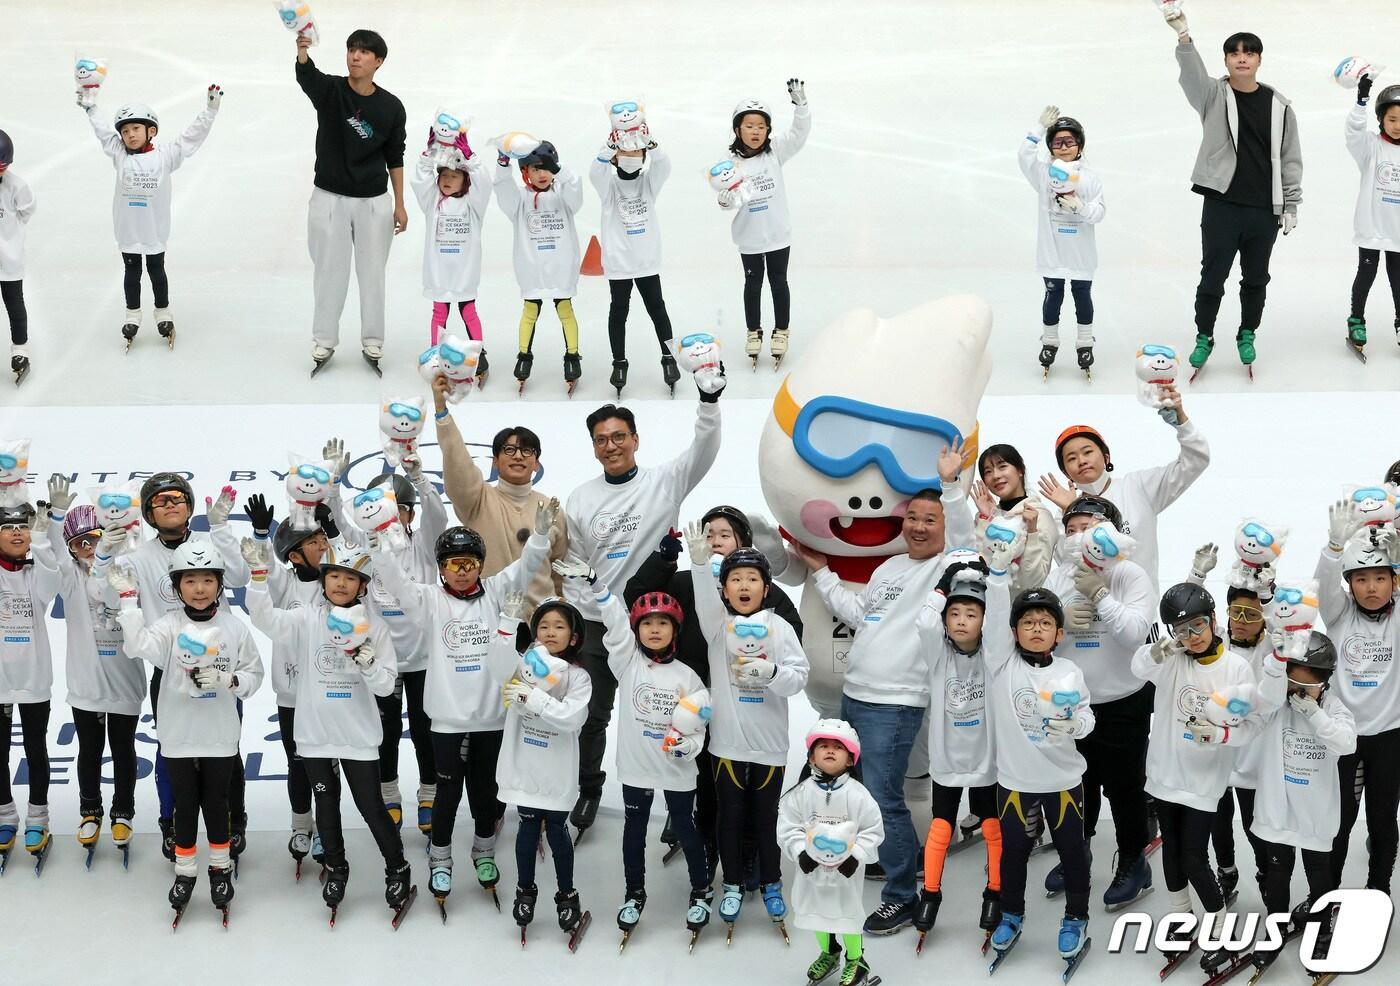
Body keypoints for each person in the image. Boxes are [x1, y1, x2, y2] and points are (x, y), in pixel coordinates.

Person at [793, 449, 972, 934]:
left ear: (943, 524)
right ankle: (906, 861)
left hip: (895, 701)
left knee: (881, 796)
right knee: (864, 788)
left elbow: (965, 535)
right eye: (911, 517)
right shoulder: (890, 568)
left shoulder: (951, 567)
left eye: (929, 519)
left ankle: (902, 896)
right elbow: (860, 615)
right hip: (857, 694)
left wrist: (950, 485)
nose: (918, 526)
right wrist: (819, 570)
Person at [370, 504, 555, 911]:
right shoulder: (428, 600)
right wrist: (379, 551)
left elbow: (525, 567)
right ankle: (440, 857)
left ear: (480, 565)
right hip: (447, 721)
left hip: (492, 716)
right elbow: (398, 584)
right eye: (453, 563)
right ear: (440, 567)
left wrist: (539, 536)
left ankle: (483, 852)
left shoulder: (497, 592)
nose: (461, 571)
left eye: (469, 563)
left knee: (487, 792)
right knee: (447, 792)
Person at [562, 391, 722, 839]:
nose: (610, 446)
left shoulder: (665, 481)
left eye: (618, 436)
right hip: (600, 623)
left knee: (675, 712)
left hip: (661, 620)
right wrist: (589, 616)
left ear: (635, 439)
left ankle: (678, 794)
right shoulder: (580, 499)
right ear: (593, 447)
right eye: (600, 440)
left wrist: (708, 401)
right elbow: (574, 570)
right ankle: (588, 788)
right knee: (593, 715)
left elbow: (705, 448)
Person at [624, 505, 802, 872]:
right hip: (692, 701)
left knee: (749, 791)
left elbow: (791, 640)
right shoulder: (687, 581)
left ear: (742, 543)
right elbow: (637, 596)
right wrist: (663, 559)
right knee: (706, 782)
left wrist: (764, 666)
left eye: (725, 534)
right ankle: (705, 845)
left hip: (747, 707)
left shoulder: (761, 590)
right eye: (709, 534)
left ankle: (751, 852)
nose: (716, 541)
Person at [244, 536, 412, 917]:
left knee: (371, 807)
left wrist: (368, 662)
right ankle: (336, 866)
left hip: (358, 737)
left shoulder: (376, 628)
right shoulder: (305, 617)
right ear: (322, 579)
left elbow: (387, 686)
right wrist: (257, 577)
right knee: (326, 803)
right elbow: (264, 619)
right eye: (333, 575)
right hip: (314, 735)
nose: (339, 583)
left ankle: (397, 866)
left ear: (363, 586)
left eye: (349, 578)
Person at [91, 474, 249, 862]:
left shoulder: (207, 544)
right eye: (160, 501)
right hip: (170, 667)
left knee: (227, 749)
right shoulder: (138, 557)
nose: (170, 505)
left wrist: (223, 530)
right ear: (147, 513)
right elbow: (103, 593)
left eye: (177, 498)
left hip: (221, 664)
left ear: (190, 507)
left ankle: (233, 821)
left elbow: (243, 577)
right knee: (171, 752)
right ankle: (171, 823)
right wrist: (104, 557)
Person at [555, 559, 712, 946]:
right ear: (637, 630)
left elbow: (698, 728)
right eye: (646, 624)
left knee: (687, 830)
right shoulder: (626, 663)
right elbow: (613, 621)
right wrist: (596, 583)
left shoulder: (687, 676)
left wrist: (688, 747)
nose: (654, 630)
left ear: (675, 629)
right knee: (634, 833)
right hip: (637, 770)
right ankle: (635, 893)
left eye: (662, 623)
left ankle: (701, 890)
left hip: (676, 772)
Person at [109, 538, 263, 918]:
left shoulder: (234, 626)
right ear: (177, 586)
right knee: (184, 805)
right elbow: (137, 646)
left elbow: (254, 675)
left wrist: (229, 681)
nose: (199, 589)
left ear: (219, 585)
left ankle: (220, 867)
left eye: (207, 580)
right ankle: (185, 871)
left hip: (219, 734)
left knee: (217, 803)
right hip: (177, 734)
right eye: (190, 580)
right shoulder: (168, 625)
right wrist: (129, 599)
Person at [1161, 7, 1302, 373]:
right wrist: (1184, 37)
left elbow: (1290, 158)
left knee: (1256, 278)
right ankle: (1204, 335)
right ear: (1226, 59)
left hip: (1264, 210)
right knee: (1213, 276)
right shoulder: (1213, 95)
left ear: (1258, 60)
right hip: (1222, 205)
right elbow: (1191, 77)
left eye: (1249, 52)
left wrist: (1291, 203)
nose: (1242, 58)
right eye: (1235, 53)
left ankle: (1247, 333)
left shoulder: (1280, 105)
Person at [687, 534, 809, 936]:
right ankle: (734, 883)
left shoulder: (779, 628)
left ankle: (772, 881)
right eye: (735, 579)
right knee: (730, 818)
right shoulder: (717, 626)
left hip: (770, 747)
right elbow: (704, 601)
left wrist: (771, 673)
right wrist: (702, 566)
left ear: (767, 587)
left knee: (765, 819)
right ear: (724, 589)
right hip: (727, 745)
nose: (743, 586)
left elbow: (799, 677)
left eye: (752, 579)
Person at [1132, 583, 1256, 976]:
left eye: (1198, 626)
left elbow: (1251, 727)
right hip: (1166, 773)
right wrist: (1159, 649)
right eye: (1181, 631)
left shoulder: (1235, 667)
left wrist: (1221, 735)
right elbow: (1137, 668)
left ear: (1214, 620)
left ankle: (1218, 929)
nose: (1192, 637)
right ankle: (1181, 920)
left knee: (1193, 856)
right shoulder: (1172, 658)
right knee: (1171, 849)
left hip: (1203, 781)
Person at [1042, 496, 1155, 909]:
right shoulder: (1059, 577)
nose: (1076, 539)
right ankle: (1079, 853)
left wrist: (1103, 597)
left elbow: (1134, 633)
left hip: (1123, 700)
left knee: (1125, 790)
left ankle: (1133, 863)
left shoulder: (1130, 574)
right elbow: (1038, 637)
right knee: (1078, 785)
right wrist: (1060, 624)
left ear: (1111, 531)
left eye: (1085, 528)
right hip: (1074, 701)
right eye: (1069, 531)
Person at [332, 449, 447, 837]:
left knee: (424, 727)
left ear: (409, 515)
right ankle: (389, 792)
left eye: (399, 509)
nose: (390, 516)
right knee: (384, 730)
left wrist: (420, 479)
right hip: (381, 656)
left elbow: (439, 516)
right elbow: (337, 524)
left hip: (424, 656)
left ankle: (429, 793)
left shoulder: (425, 544)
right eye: (381, 508)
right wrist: (333, 486)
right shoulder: (366, 547)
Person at [34, 478, 144, 864]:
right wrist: (56, 518)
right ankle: (90, 810)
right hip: (85, 684)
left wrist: (110, 556)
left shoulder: (126, 570)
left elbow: (112, 592)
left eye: (95, 539)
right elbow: (50, 560)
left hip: (125, 682)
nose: (89, 548)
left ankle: (124, 811)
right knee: (90, 750)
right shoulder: (69, 579)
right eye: (81, 543)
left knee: (124, 749)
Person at [985, 587, 1095, 971]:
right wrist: (998, 573)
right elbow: (997, 613)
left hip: (1063, 782)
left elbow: (1087, 717)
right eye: (1028, 623)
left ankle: (1076, 917)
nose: (1037, 629)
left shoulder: (1069, 671)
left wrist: (1075, 724)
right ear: (1014, 631)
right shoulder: (1001, 664)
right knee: (1014, 853)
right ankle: (1011, 915)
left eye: (1046, 623)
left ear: (1059, 634)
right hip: (1016, 782)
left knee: (1072, 852)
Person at [911, 538, 1013, 944]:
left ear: (984, 621)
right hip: (948, 761)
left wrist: (997, 578)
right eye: (954, 613)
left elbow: (1003, 614)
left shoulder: (994, 655)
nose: (961, 620)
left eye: (971, 613)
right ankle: (930, 895)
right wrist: (943, 583)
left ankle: (995, 891)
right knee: (941, 826)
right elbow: (923, 623)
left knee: (991, 826)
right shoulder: (939, 656)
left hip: (986, 759)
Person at [295, 28, 407, 373]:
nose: (355, 56)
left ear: (379, 61)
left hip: (373, 202)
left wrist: (399, 203)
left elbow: (395, 156)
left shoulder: (390, 107)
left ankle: (373, 339)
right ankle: (324, 338)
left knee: (372, 273)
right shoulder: (331, 91)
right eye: (351, 50)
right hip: (329, 198)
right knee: (329, 272)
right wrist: (302, 51)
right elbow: (306, 76)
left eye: (364, 52)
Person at [487, 590, 593, 943]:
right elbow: (496, 669)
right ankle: (525, 890)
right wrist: (506, 623)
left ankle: (567, 893)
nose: (550, 631)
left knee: (558, 831)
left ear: (573, 636)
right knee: (528, 828)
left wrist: (532, 697)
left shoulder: (578, 678)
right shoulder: (526, 664)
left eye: (559, 626)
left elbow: (571, 718)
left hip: (557, 772)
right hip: (526, 766)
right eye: (543, 625)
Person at [82, 83, 221, 349]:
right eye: (125, 131)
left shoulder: (165, 155)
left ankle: (163, 313)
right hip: (128, 232)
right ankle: (132, 315)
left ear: (151, 131)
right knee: (131, 272)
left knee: (156, 271)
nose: (130, 135)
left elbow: (191, 137)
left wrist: (210, 111)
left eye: (136, 129)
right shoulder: (119, 154)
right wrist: (90, 106)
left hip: (154, 231)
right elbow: (102, 132)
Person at [1249, 630, 1356, 976]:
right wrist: (1278, 660)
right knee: (1278, 871)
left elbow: (1346, 743)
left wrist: (1314, 713)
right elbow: (1260, 698)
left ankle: (1323, 930)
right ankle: (1276, 928)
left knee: (1318, 873)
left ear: (1324, 682)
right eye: (1291, 682)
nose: (1296, 692)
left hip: (1315, 812)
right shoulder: (1274, 705)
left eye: (1305, 686)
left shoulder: (1334, 708)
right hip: (1279, 808)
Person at [1039, 385, 1209, 602]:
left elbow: (1196, 462)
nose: (1081, 460)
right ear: (1066, 472)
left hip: (1142, 616)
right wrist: (1070, 511)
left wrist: (1182, 422)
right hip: (1093, 623)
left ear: (1106, 456)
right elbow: (1068, 569)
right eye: (1071, 458)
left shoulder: (1138, 486)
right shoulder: (1063, 512)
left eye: (1088, 452)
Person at [242, 492, 331, 871]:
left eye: (322, 538)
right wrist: (262, 533)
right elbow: (266, 567)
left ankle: (327, 830)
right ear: (294, 555)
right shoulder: (285, 586)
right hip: (293, 695)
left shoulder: (339, 580)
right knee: (297, 764)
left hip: (331, 693)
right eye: (313, 542)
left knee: (327, 767)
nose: (322, 545)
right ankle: (300, 824)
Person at [1185, 540, 1275, 905]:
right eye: (1236, 613)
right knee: (1219, 824)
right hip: (1217, 754)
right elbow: (1188, 616)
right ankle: (1226, 871)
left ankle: (1267, 873)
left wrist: (1268, 595)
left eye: (1251, 616)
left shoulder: (1272, 648)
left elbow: (1288, 630)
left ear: (1264, 620)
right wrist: (1197, 575)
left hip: (1254, 759)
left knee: (1256, 828)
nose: (1241, 623)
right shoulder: (1216, 641)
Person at [433, 376, 568, 615]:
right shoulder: (477, 499)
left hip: (542, 628)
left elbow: (560, 571)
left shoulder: (550, 508)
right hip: (490, 621)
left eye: (527, 451)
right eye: (509, 450)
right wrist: (442, 412)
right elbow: (457, 460)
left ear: (536, 463)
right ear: (495, 461)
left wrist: (559, 612)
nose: (518, 456)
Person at [1315, 517, 1400, 894]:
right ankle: (1326, 897)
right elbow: (1323, 585)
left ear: (1393, 581)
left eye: (1380, 578)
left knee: (1382, 821)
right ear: (1349, 584)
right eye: (1361, 579)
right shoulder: (1338, 613)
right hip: (1344, 738)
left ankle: (1377, 891)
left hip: (1389, 738)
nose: (1371, 588)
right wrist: (1334, 549)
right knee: (1340, 822)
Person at [777, 720, 885, 986]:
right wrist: (800, 851)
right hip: (812, 871)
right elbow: (788, 825)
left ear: (850, 759)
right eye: (823, 746)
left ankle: (856, 959)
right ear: (811, 756)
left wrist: (856, 855)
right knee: (815, 911)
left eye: (838, 747)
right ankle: (829, 952)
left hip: (844, 872)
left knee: (846, 914)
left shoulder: (859, 795)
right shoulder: (800, 793)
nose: (830, 751)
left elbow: (872, 830)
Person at [720, 79, 810, 368]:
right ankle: (754, 331)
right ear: (738, 129)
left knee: (779, 282)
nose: (756, 132)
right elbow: (729, 196)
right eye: (749, 126)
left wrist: (801, 106)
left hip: (777, 235)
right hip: (749, 237)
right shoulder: (730, 162)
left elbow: (799, 134)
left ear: (768, 130)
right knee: (753, 283)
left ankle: (781, 330)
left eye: (761, 126)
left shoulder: (775, 154)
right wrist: (725, 200)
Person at [590, 112, 675, 396]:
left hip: (646, 262)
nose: (631, 154)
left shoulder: (649, 183)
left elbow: (664, 165)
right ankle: (619, 362)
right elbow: (594, 172)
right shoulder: (609, 187)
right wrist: (610, 145)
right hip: (619, 264)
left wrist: (651, 142)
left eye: (636, 150)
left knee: (657, 309)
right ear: (615, 156)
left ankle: (668, 357)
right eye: (625, 150)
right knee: (618, 312)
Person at [1017, 107, 1106, 375]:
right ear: (1051, 148)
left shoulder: (1090, 179)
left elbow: (1099, 213)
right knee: (1053, 296)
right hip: (1052, 255)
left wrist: (1080, 207)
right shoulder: (1044, 174)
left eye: (1069, 141)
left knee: (1082, 297)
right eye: (1057, 142)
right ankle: (1050, 341)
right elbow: (1024, 157)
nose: (1064, 147)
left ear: (1079, 145)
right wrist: (1038, 129)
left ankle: (1085, 342)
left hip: (1080, 256)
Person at [494, 139, 584, 393]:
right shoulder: (519, 200)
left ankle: (572, 357)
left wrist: (560, 169)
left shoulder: (563, 195)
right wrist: (503, 164)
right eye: (535, 168)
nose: (542, 174)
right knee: (530, 311)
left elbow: (575, 192)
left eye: (547, 168)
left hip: (560, 266)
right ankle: (524, 357)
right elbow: (503, 190)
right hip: (532, 269)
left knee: (565, 309)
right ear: (525, 172)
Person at [0, 501, 58, 867]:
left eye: (23, 526)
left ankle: (39, 819)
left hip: (34, 678)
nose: (17, 532)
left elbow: (53, 575)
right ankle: (5, 816)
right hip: (0, 681)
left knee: (36, 749)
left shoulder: (40, 573)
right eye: (8, 527)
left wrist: (42, 535)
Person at [410, 133, 491, 363]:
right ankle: (436, 353)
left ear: (465, 181)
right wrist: (429, 154)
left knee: (468, 311)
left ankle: (479, 354)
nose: (447, 180)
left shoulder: (474, 203)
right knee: (439, 312)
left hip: (464, 272)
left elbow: (484, 183)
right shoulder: (432, 201)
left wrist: (470, 157)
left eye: (454, 176)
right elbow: (420, 180)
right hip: (439, 272)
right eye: (444, 175)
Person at [1344, 76, 1400, 354]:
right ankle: (1356, 319)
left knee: (1398, 278)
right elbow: (1353, 133)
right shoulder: (1371, 148)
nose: (1398, 126)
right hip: (1371, 227)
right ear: (1381, 120)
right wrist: (1361, 102)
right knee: (1366, 272)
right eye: (1392, 119)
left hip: (1398, 233)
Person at [973, 444, 1055, 592]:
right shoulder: (986, 516)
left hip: (1020, 611)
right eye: (988, 471)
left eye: (1002, 466)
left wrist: (1032, 532)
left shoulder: (1040, 516)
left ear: (1020, 470)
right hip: (984, 610)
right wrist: (985, 518)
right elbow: (974, 567)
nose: (996, 476)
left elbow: (1034, 582)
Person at [0, 128, 35, 380]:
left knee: (14, 305)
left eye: (2, 166)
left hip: (8, 261)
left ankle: (20, 350)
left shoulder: (16, 186)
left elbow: (26, 211)